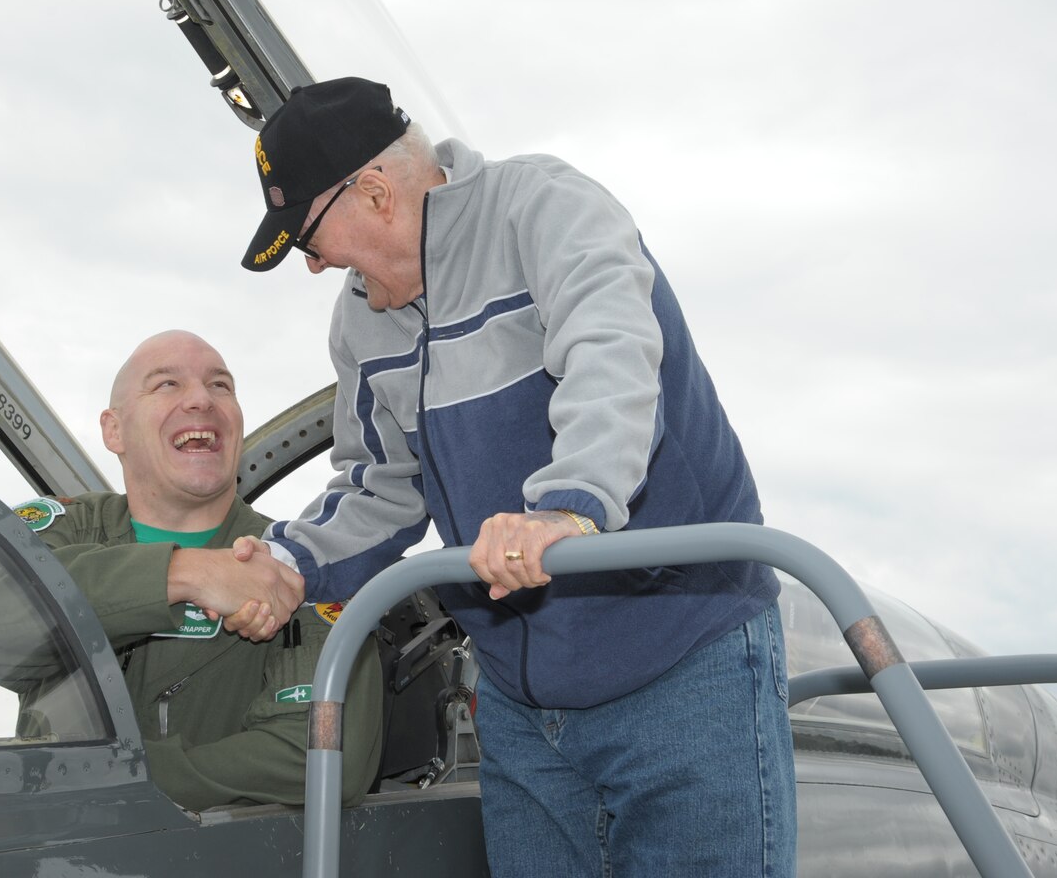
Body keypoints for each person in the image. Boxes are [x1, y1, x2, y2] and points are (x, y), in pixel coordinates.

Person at [235, 78, 795, 875]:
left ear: (373, 192)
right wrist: (288, 563)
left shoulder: (543, 210)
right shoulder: (362, 320)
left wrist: (566, 511)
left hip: (679, 660)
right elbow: (380, 484)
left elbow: (610, 360)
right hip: (521, 707)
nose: (315, 266)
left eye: (309, 241)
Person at [0, 329, 382, 811]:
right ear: (113, 429)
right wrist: (187, 574)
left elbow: (322, 755)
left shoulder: (298, 566)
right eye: (166, 385)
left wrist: (101, 779)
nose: (201, 399)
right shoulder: (58, 529)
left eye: (221, 385)